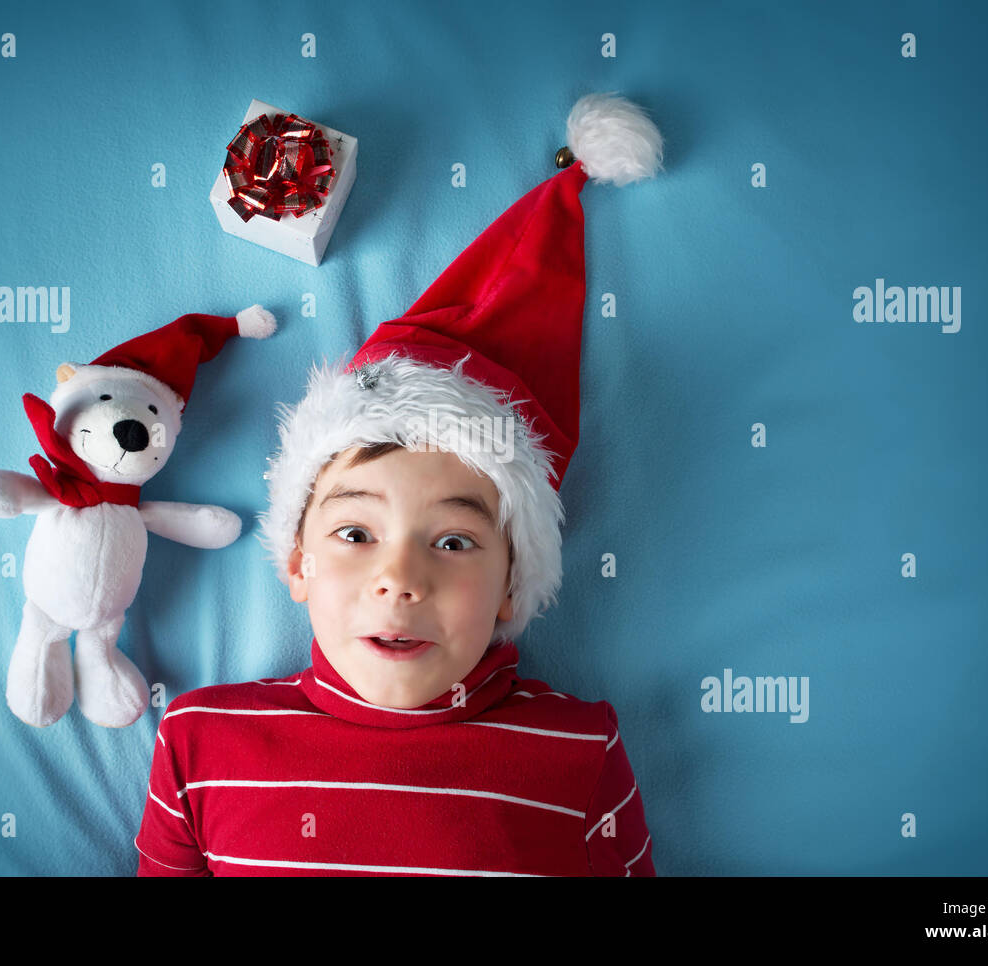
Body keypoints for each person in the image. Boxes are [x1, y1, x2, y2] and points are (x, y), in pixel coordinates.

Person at [134, 93, 663, 876]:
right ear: (296, 562)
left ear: (513, 588)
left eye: (453, 541)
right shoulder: (199, 741)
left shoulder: (581, 752)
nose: (399, 581)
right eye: (354, 533)